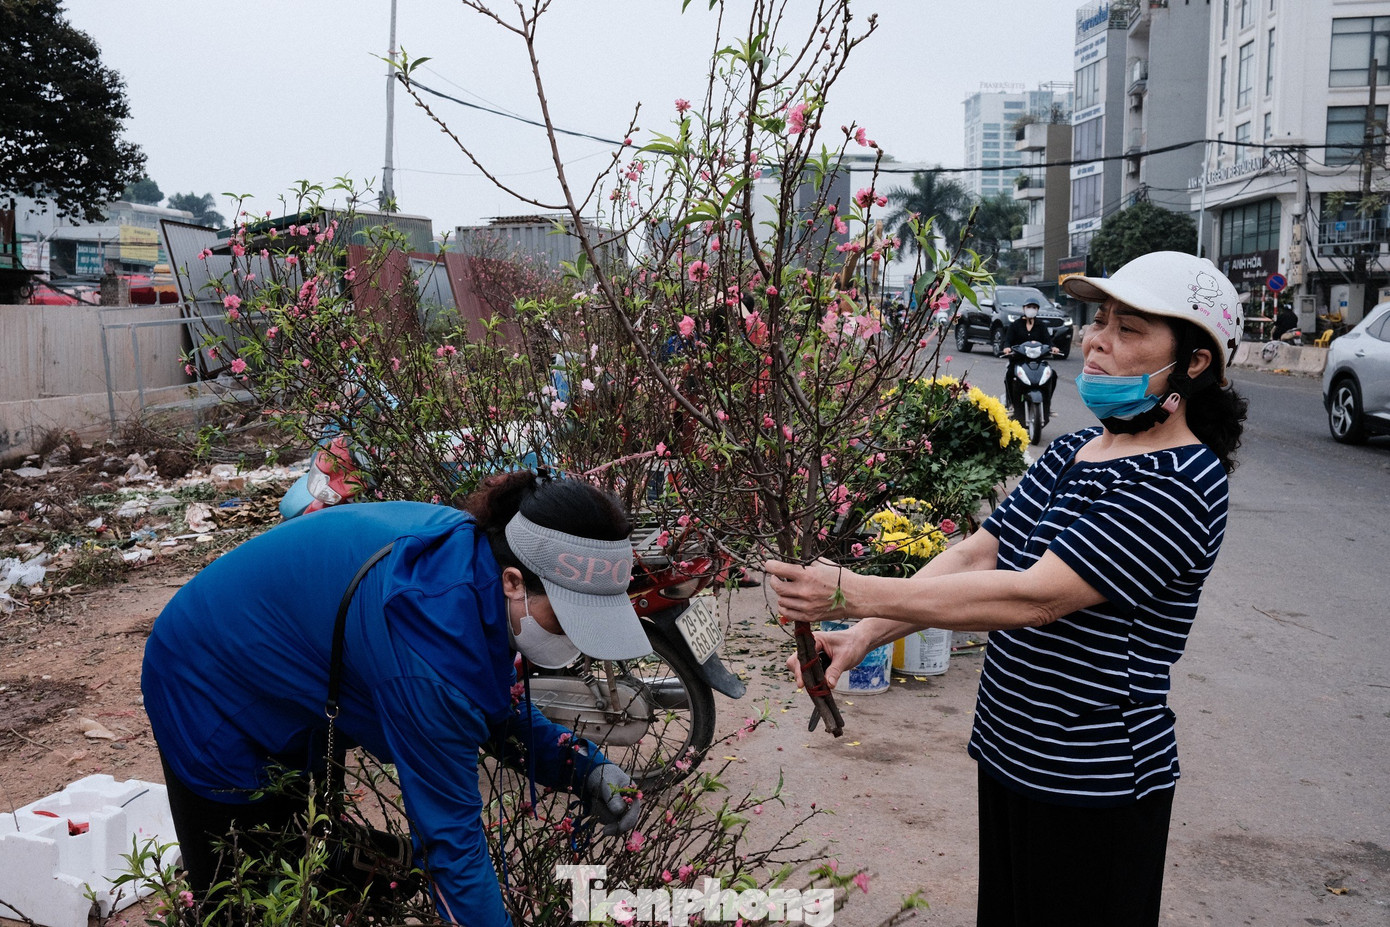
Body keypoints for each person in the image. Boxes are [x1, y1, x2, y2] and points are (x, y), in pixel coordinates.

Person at [766, 251, 1248, 927]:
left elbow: (1035, 597)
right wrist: (862, 635)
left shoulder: (1180, 482)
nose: (1096, 339)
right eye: (1099, 319)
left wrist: (850, 590)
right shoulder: (1072, 450)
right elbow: (977, 552)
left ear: (1195, 363)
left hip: (1094, 784)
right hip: (1012, 754)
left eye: (1129, 328)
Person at [142, 472, 647, 924]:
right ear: (514, 582)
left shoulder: (478, 565)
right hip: (205, 681)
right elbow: (453, 841)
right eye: (568, 619)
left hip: (290, 664)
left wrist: (582, 767)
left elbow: (490, 705)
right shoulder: (428, 645)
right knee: (242, 890)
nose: (577, 640)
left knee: (305, 843)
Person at [1000, 298, 1059, 421]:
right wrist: (1006, 348)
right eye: (1029, 307)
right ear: (1024, 308)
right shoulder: (1015, 325)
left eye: (1034, 307)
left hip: (1038, 361)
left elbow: (1048, 341)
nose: (1031, 309)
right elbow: (1008, 340)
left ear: (1037, 310)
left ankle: (1047, 404)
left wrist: (1053, 347)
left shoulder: (1041, 325)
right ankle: (1011, 404)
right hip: (1018, 360)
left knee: (1052, 375)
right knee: (1009, 375)